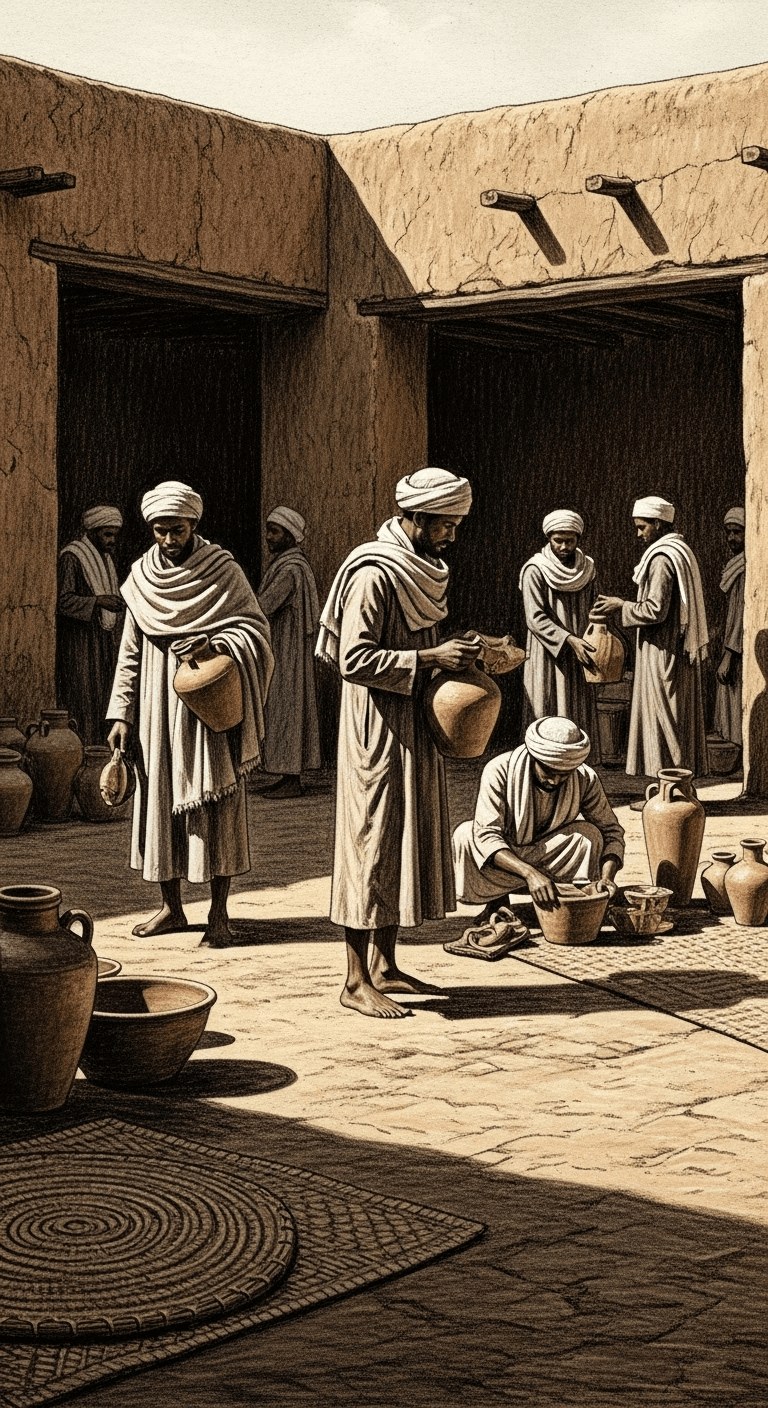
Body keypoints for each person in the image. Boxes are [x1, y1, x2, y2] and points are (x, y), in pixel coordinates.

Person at [317, 466, 478, 1019]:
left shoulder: (424, 569)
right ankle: (354, 979)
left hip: (411, 722)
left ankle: (385, 964)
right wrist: (431, 658)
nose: (452, 536)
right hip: (375, 730)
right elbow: (353, 659)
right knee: (370, 843)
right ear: (415, 516)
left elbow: (422, 642)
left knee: (398, 842)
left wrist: (465, 651)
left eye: (456, 525)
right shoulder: (374, 574)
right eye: (445, 524)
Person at [106, 481, 274, 946]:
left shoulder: (222, 571)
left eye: (176, 530)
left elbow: (255, 630)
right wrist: (121, 712)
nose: (168, 540)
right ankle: (171, 907)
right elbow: (131, 651)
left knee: (219, 805)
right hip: (157, 714)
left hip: (211, 710)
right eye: (160, 531)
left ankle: (219, 914)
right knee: (159, 803)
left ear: (194, 525)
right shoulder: (141, 577)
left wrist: (216, 644)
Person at [453, 717, 624, 925]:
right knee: (464, 836)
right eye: (550, 772)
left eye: (564, 775)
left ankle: (576, 900)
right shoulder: (499, 769)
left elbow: (611, 831)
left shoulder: (585, 778)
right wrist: (530, 874)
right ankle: (496, 902)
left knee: (589, 835)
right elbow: (487, 835)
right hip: (508, 857)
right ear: (535, 758)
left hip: (548, 854)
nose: (555, 781)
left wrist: (607, 877)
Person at [594, 495, 708, 782]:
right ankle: (674, 788)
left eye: (642, 526)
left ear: (658, 523)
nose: (639, 533)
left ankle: (668, 789)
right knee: (674, 718)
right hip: (673, 649)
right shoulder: (679, 550)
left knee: (665, 719)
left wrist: (621, 605)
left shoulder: (661, 558)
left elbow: (655, 610)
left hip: (663, 652)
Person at [519, 509, 600, 758]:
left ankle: (579, 763)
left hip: (580, 650)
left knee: (578, 711)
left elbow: (595, 606)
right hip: (548, 653)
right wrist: (568, 640)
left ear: (578, 539)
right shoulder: (535, 569)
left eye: (570, 540)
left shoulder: (587, 568)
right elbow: (535, 618)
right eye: (558, 540)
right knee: (548, 707)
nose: (564, 546)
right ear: (549, 538)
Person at [256, 506, 321, 798]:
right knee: (286, 711)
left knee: (287, 712)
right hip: (284, 649)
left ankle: (291, 778)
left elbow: (263, 607)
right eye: (268, 529)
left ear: (291, 536)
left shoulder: (289, 570)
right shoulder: (288, 564)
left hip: (286, 653)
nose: (268, 536)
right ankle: (287, 775)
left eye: (275, 531)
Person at [57, 505, 125, 744]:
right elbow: (64, 601)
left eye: (115, 535)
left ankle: (102, 748)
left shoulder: (105, 560)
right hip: (81, 642)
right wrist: (98, 601)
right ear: (94, 531)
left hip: (102, 640)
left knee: (104, 696)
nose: (112, 541)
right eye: (107, 534)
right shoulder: (72, 557)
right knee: (84, 696)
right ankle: (84, 748)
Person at [713, 506, 745, 749]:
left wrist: (729, 655)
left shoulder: (745, 570)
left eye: (738, 532)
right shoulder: (736, 566)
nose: (732, 538)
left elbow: (739, 617)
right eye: (729, 532)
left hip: (739, 653)